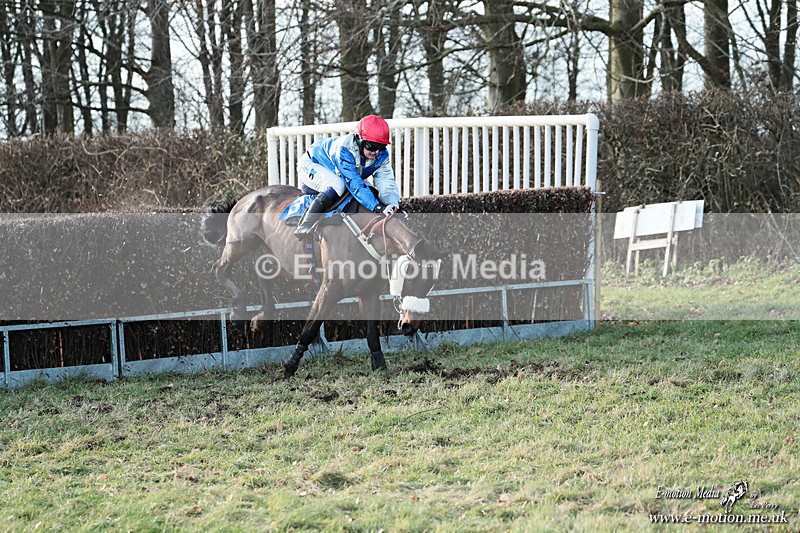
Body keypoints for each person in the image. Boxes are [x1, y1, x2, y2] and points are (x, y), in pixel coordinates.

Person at [294, 114, 400, 239]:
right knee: (338, 185)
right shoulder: (345, 149)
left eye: (381, 147)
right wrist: (377, 207)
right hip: (312, 164)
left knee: (371, 190)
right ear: (359, 138)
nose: (375, 152)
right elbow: (354, 184)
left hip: (337, 170)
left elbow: (386, 181)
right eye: (371, 146)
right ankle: (305, 225)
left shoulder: (382, 155)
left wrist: (392, 204)